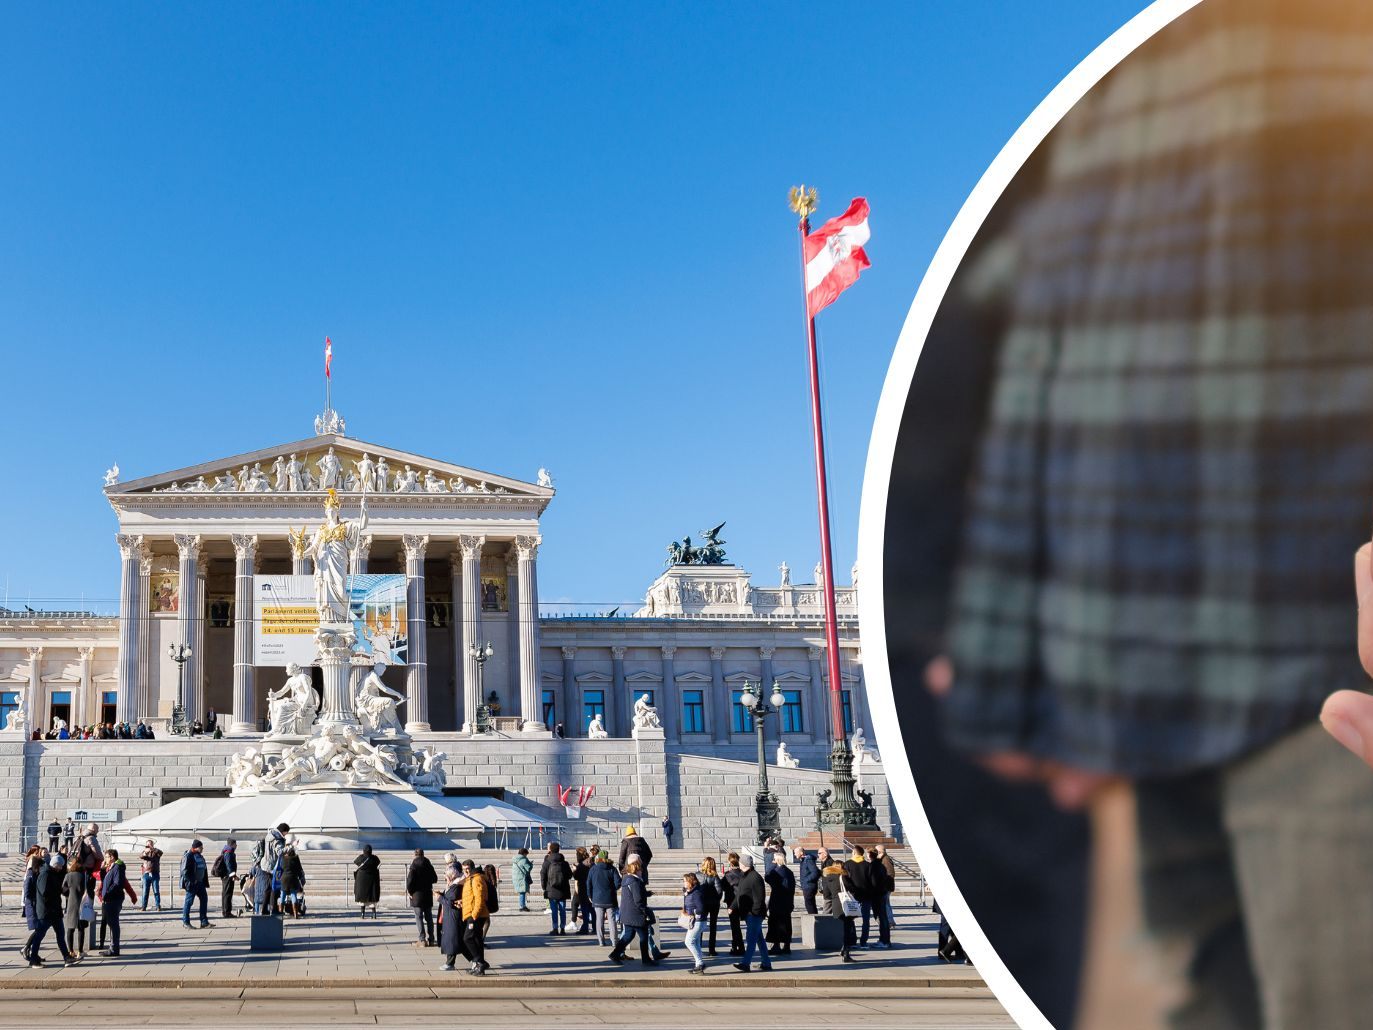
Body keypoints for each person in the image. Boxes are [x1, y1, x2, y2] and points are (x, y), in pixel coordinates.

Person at [27, 854, 75, 967]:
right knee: (39, 936)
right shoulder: (45, 874)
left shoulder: (52, 874)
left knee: (60, 935)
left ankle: (66, 957)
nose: (61, 868)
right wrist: (59, 890)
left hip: (54, 911)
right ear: (55, 865)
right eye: (60, 866)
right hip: (46, 912)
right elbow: (44, 892)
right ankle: (33, 960)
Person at [607, 855, 654, 965]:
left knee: (629, 935)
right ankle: (646, 959)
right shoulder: (635, 881)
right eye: (641, 869)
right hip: (636, 914)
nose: (642, 871)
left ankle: (615, 954)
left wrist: (646, 893)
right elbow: (638, 900)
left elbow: (632, 895)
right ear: (637, 870)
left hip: (627, 914)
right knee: (643, 936)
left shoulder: (627, 879)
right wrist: (644, 911)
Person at [731, 854, 770, 973]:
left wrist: (755, 913)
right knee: (759, 940)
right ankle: (766, 963)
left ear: (743, 864)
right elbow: (739, 894)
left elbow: (759, 898)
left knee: (751, 939)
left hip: (754, 914)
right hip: (749, 913)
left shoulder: (755, 877)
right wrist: (733, 906)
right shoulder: (744, 876)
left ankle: (746, 963)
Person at [818, 856, 858, 963]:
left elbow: (827, 894)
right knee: (848, 930)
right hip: (845, 905)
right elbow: (852, 888)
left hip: (836, 905)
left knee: (842, 929)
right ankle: (846, 953)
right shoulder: (842, 877)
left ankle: (843, 949)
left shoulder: (828, 878)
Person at [97, 848, 134, 956]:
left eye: (107, 857)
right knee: (111, 923)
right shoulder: (111, 867)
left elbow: (117, 883)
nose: (106, 859)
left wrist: (107, 893)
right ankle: (113, 948)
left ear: (112, 857)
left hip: (113, 899)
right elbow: (105, 881)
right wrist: (103, 870)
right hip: (110, 898)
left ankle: (114, 949)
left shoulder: (118, 867)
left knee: (113, 924)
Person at [460, 858, 491, 975]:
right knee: (477, 940)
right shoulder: (470, 879)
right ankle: (479, 968)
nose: (466, 871)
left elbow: (480, 898)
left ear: (472, 868)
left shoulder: (476, 879)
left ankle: (479, 961)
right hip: (472, 913)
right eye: (464, 870)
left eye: (467, 869)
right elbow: (472, 897)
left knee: (467, 938)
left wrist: (474, 915)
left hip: (476, 914)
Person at [764, 851, 796, 955]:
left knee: (775, 924)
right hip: (787, 902)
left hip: (777, 901)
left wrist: (771, 866)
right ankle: (787, 946)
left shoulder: (775, 872)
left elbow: (767, 877)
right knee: (786, 924)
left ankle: (776, 945)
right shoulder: (789, 872)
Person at [254, 823, 289, 915]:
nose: (286, 835)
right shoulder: (277, 838)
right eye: (286, 833)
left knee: (268, 889)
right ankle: (274, 910)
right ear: (283, 831)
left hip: (265, 865)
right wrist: (290, 846)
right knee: (275, 888)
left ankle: (264, 910)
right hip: (272, 866)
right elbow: (280, 852)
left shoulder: (270, 835)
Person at [587, 851, 621, 946]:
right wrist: (612, 889)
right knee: (612, 920)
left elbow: (588, 884)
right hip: (610, 899)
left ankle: (601, 941)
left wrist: (590, 895)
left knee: (599, 920)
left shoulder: (593, 869)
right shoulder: (612, 869)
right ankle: (614, 941)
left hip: (597, 898)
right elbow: (618, 882)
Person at [407, 848, 437, 946]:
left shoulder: (414, 866)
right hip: (427, 894)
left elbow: (410, 881)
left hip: (417, 895)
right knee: (429, 918)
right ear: (423, 855)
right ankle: (431, 939)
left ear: (415, 855)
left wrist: (410, 892)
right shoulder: (428, 864)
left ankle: (422, 939)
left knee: (419, 917)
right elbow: (434, 878)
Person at [540, 842, 571, 935]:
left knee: (554, 911)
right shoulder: (564, 862)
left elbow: (543, 875)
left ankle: (555, 928)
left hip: (551, 889)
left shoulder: (547, 862)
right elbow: (569, 875)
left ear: (550, 850)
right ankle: (562, 928)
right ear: (559, 849)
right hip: (563, 889)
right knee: (562, 910)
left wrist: (544, 887)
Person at [179, 839, 211, 928]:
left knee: (204, 900)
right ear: (196, 847)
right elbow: (184, 871)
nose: (202, 848)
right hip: (192, 883)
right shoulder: (188, 856)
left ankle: (204, 922)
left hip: (200, 883)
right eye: (201, 847)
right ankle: (186, 922)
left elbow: (203, 868)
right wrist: (193, 880)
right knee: (189, 902)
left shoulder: (199, 856)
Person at [61, 856, 88, 960]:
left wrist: (69, 895)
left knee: (70, 928)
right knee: (81, 928)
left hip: (71, 903)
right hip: (82, 902)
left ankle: (71, 950)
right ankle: (80, 951)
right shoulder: (83, 875)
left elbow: (63, 889)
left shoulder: (68, 875)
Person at [697, 856, 724, 956]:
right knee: (713, 926)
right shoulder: (714, 876)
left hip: (702, 904)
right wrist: (716, 899)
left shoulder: (697, 876)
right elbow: (719, 891)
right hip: (713, 904)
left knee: (700, 926)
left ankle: (698, 947)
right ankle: (711, 949)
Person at [681, 871, 707, 974]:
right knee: (695, 942)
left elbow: (701, 907)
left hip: (697, 921)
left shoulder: (696, 893)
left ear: (691, 882)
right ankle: (698, 964)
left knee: (688, 941)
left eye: (685, 881)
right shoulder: (690, 892)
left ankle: (700, 963)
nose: (684, 883)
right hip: (694, 921)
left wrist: (695, 915)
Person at [437, 867, 462, 972]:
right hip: (448, 916)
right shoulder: (452, 885)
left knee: (451, 939)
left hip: (452, 916)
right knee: (451, 939)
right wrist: (442, 894)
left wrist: (440, 898)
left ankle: (450, 963)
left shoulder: (455, 886)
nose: (445, 879)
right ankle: (476, 960)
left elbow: (451, 902)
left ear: (451, 876)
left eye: (446, 877)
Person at [21, 851, 44, 965]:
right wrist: (35, 901)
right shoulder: (30, 874)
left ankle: (32, 952)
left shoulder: (34, 873)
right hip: (32, 906)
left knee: (39, 929)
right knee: (39, 929)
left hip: (35, 905)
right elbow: (27, 892)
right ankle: (26, 948)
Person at [870, 845, 895, 944]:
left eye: (877, 851)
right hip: (884, 888)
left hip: (884, 888)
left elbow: (890, 873)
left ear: (881, 851)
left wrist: (884, 885)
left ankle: (889, 922)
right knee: (885, 906)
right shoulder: (882, 860)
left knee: (884, 907)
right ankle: (889, 922)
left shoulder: (886, 860)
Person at [722, 852, 744, 955]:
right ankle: (739, 946)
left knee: (735, 926)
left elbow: (722, 887)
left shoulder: (728, 875)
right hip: (744, 901)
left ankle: (737, 947)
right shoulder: (743, 873)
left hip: (732, 902)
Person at [353, 844, 380, 917]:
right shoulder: (374, 859)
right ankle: (374, 913)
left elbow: (355, 862)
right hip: (372, 880)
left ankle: (362, 913)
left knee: (362, 898)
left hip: (362, 880)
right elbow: (378, 862)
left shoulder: (361, 858)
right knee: (372, 898)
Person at [571, 846, 593, 934]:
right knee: (591, 908)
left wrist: (574, 870)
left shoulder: (581, 865)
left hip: (583, 888)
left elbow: (576, 877)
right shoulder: (590, 863)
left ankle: (585, 927)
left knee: (584, 908)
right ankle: (595, 927)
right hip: (590, 888)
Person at [213, 839, 238, 918]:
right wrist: (233, 875)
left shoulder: (227, 851)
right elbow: (229, 865)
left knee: (226, 893)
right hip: (227, 876)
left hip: (226, 876)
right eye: (235, 844)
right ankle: (227, 912)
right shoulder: (228, 852)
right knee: (227, 894)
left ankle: (225, 911)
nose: (236, 846)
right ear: (232, 844)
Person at [139, 838, 164, 912]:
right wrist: (145, 852)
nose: (149, 846)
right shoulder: (145, 851)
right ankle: (144, 906)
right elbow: (141, 856)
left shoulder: (156, 852)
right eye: (147, 844)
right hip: (146, 874)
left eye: (150, 844)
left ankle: (158, 906)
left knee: (156, 890)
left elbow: (161, 853)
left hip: (155, 873)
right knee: (145, 891)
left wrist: (153, 849)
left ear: (153, 845)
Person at [280, 844, 305, 918]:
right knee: (293, 895)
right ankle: (295, 914)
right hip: (293, 879)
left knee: (283, 895)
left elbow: (280, 868)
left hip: (284, 879)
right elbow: (299, 869)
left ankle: (280, 913)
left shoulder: (283, 859)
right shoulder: (296, 858)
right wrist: (301, 879)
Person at [795, 846, 820, 916]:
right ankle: (815, 918)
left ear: (801, 853)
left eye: (796, 853)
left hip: (809, 886)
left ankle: (814, 919)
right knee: (810, 904)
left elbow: (815, 872)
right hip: (807, 886)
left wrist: (806, 880)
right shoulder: (803, 860)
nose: (795, 854)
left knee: (809, 904)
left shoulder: (808, 859)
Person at [510, 847, 532, 912]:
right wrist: (531, 864)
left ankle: (522, 905)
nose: (526, 856)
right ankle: (522, 906)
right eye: (526, 854)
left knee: (521, 892)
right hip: (522, 878)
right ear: (524, 853)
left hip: (516, 878)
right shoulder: (523, 860)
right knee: (522, 892)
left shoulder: (515, 859)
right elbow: (528, 869)